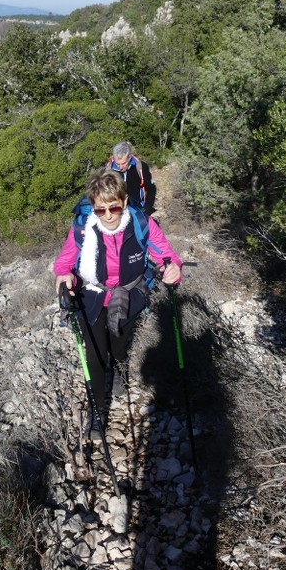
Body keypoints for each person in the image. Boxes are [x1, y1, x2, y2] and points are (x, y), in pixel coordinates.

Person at [54, 168, 182, 438]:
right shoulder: (82, 228)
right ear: (94, 209)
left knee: (120, 345)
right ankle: (97, 414)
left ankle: (120, 372)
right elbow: (65, 261)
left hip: (130, 296)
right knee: (96, 356)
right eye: (100, 210)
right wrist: (63, 275)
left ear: (124, 202)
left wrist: (172, 269)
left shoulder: (141, 223)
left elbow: (165, 255)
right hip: (91, 298)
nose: (109, 216)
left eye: (114, 208)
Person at [107, 141, 157, 215]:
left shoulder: (141, 167)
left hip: (138, 210)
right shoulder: (109, 171)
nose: (120, 167)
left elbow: (151, 188)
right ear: (113, 159)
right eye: (118, 164)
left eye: (124, 163)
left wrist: (147, 208)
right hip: (117, 212)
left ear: (129, 157)